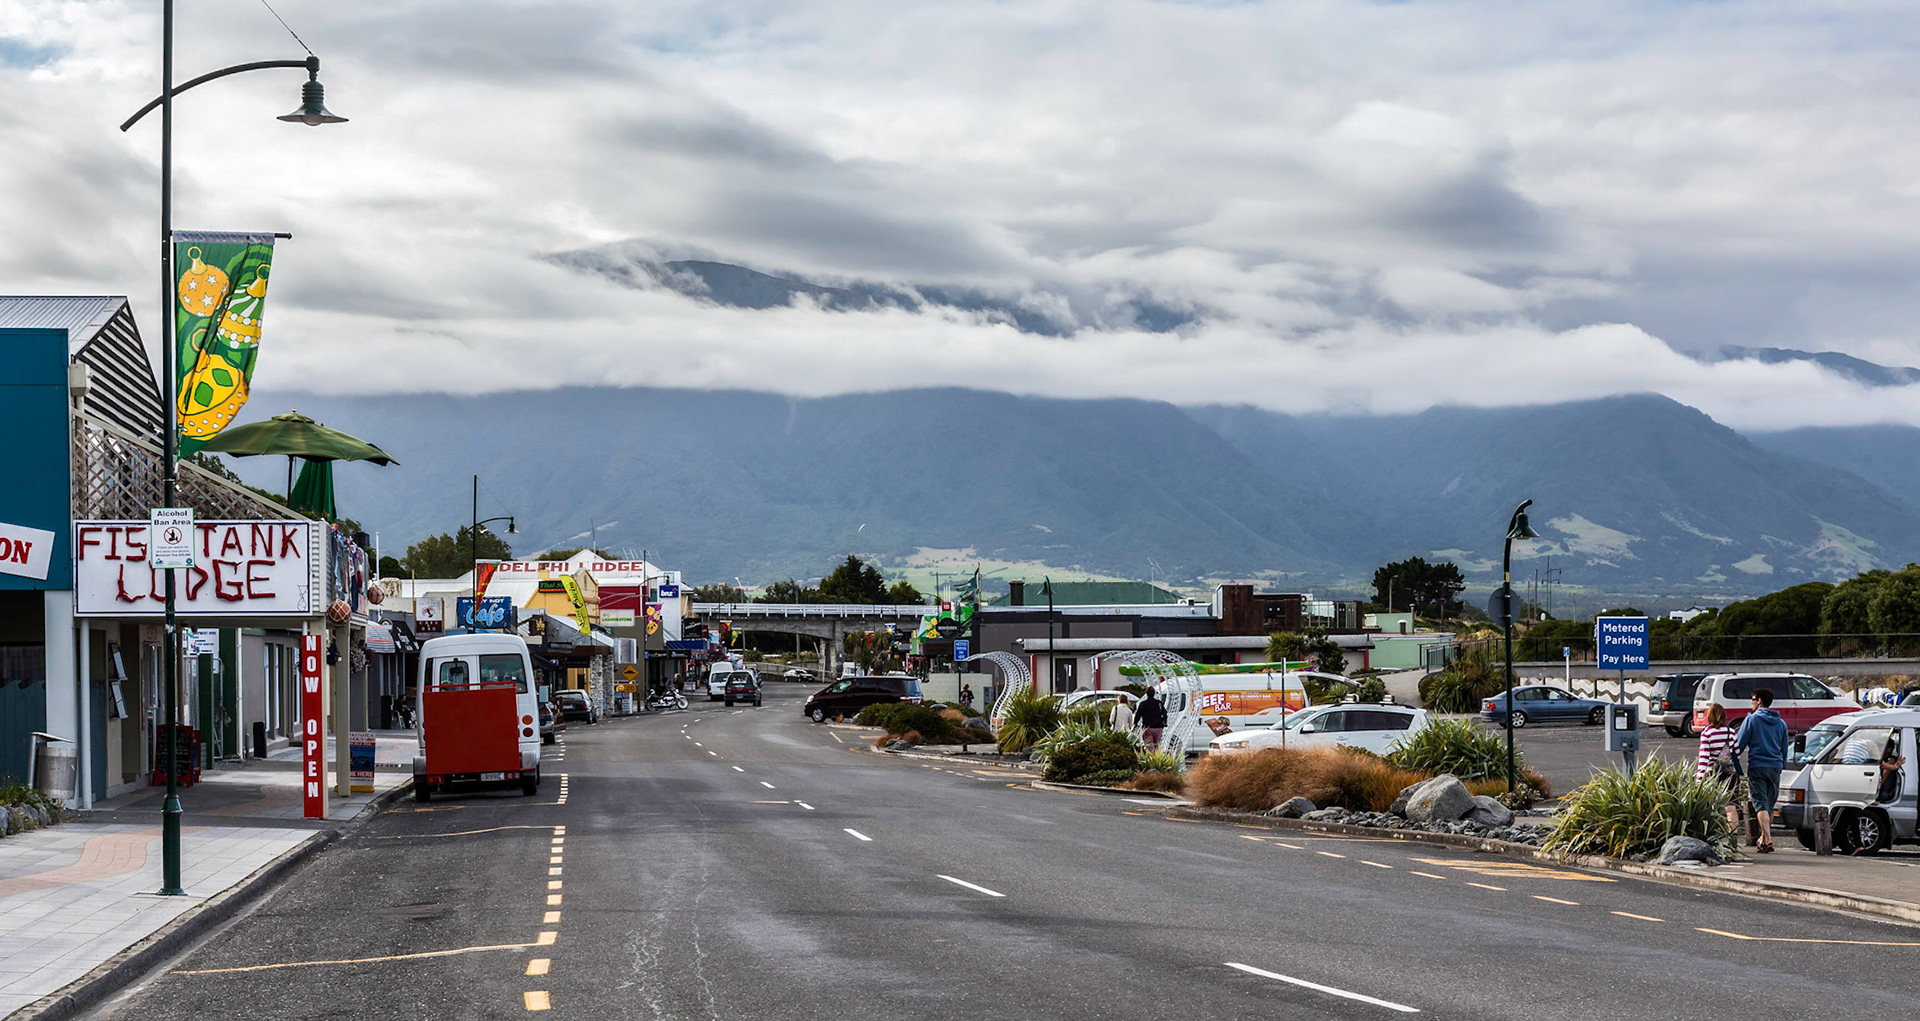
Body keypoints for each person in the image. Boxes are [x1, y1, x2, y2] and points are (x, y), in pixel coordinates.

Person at [1734, 688, 1790, 853]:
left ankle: (1768, 838)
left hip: (1758, 765)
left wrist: (1733, 762)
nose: (1751, 702)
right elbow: (1784, 748)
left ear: (1759, 700)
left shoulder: (1751, 720)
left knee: (1760, 804)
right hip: (1775, 766)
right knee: (1770, 804)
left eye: (1752, 699)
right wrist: (1782, 765)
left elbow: (1739, 744)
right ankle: (1763, 839)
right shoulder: (1781, 723)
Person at [1693, 702, 1743, 838]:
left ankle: (1713, 838)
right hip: (1730, 774)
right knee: (1731, 806)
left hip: (1713, 775)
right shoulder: (1731, 732)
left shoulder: (1707, 733)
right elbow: (1737, 754)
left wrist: (1699, 780)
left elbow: (1703, 758)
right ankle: (1733, 839)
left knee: (1711, 807)